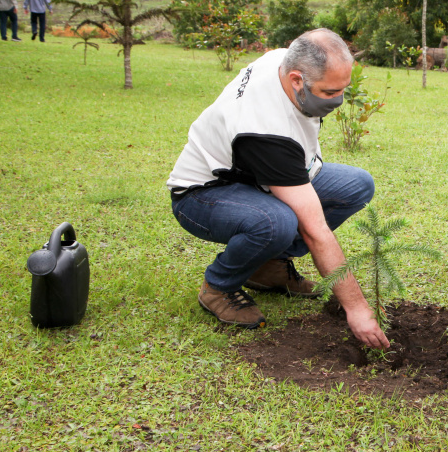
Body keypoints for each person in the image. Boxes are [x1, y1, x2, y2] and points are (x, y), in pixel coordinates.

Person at [167, 28, 389, 349]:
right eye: (329, 93)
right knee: (277, 222)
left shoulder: (281, 61)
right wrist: (356, 307)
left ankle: (269, 267)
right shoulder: (265, 131)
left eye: (343, 89)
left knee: (356, 185)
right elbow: (315, 230)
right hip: (205, 193)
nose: (338, 100)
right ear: (297, 79)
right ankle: (218, 286)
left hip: (261, 176)